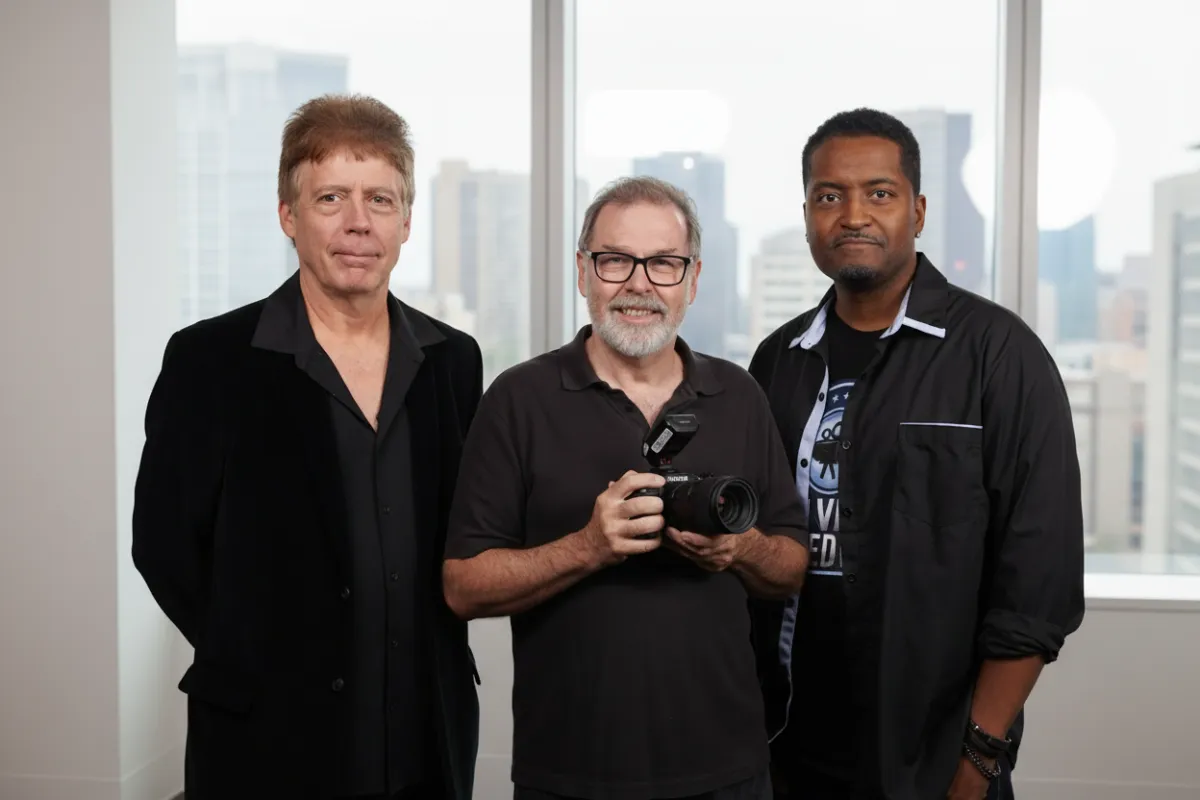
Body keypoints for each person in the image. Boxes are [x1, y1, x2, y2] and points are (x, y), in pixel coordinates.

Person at [131, 94, 483, 800]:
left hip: (424, 729)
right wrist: (250, 653)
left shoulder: (454, 361)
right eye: (331, 198)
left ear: (406, 221)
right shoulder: (211, 360)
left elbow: (462, 529)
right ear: (289, 217)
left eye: (380, 200)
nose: (359, 222)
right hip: (268, 732)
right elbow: (164, 545)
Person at [747, 107, 1086, 800]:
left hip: (933, 754)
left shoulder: (998, 355)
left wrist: (977, 758)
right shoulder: (778, 360)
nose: (852, 215)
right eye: (828, 195)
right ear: (809, 212)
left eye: (879, 193)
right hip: (787, 742)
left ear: (919, 210)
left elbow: (1039, 583)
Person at [442, 176, 810, 800]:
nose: (639, 283)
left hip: (726, 768)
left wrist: (738, 550)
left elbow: (793, 566)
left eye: (664, 263)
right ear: (584, 272)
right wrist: (587, 546)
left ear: (692, 280)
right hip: (569, 772)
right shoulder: (519, 399)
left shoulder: (739, 395)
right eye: (616, 260)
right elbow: (463, 588)